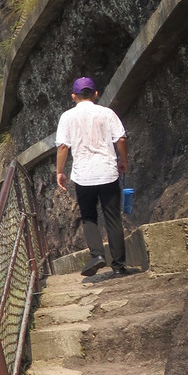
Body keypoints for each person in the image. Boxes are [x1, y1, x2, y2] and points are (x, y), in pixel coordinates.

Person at [55, 76, 132, 277]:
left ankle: (97, 255)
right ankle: (119, 266)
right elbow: (121, 138)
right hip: (108, 172)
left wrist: (60, 172)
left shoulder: (67, 117)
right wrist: (123, 160)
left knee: (89, 217)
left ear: (74, 96)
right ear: (96, 94)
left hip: (83, 176)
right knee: (113, 218)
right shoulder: (107, 113)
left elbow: (63, 146)